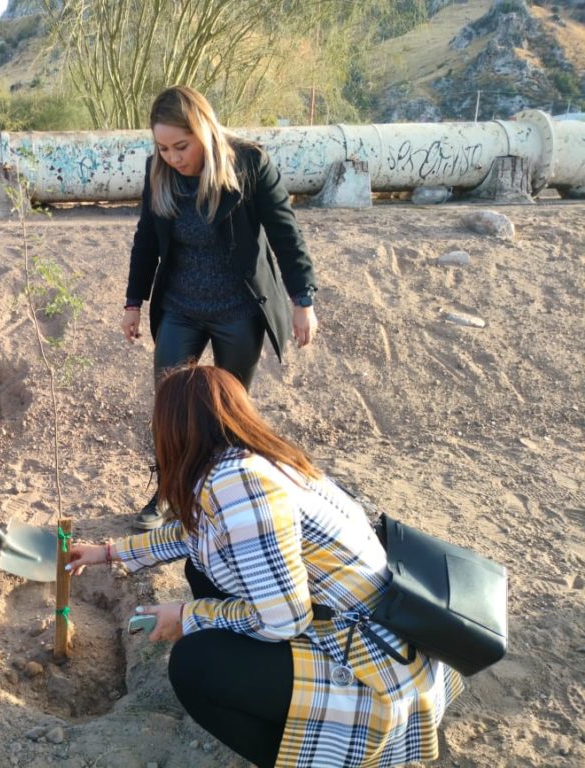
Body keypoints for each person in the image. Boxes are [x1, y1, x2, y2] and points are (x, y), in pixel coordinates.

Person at [67, 365, 463, 768]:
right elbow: (199, 536)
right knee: (200, 570)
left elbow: (284, 620)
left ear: (175, 431)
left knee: (193, 665)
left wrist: (188, 617)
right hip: (365, 631)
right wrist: (111, 553)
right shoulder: (255, 462)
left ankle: (301, 755)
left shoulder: (240, 485)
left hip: (369, 668)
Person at [121, 85, 318, 530]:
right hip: (180, 306)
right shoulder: (159, 172)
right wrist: (134, 302)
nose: (172, 157)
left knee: (229, 409)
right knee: (169, 405)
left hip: (238, 309)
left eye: (180, 146)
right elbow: (146, 242)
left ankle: (223, 495)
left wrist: (302, 300)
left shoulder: (249, 164)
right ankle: (168, 492)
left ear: (204, 130)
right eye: (162, 147)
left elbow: (286, 234)